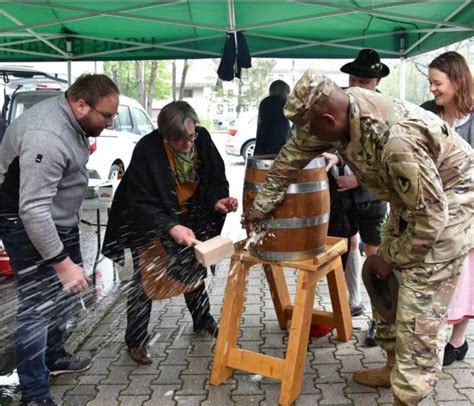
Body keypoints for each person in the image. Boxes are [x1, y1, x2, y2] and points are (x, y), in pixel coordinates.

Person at [243, 70, 473, 405]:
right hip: (412, 200)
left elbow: (432, 217)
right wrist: (259, 209)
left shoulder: (395, 140)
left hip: (451, 204)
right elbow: (289, 160)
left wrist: (392, 257)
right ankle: (393, 366)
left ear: (326, 119)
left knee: (418, 305)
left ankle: (409, 392)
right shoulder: (333, 116)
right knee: (377, 274)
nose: (306, 137)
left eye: (310, 129)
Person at [0, 74, 120, 405]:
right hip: (24, 224)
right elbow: (33, 210)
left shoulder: (72, 120)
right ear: (80, 105)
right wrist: (61, 263)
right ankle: (35, 393)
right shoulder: (46, 136)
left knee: (64, 293)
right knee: (37, 306)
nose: (110, 123)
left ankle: (53, 355)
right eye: (106, 115)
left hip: (57, 221)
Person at [102, 101, 238, 366]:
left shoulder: (202, 139)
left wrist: (217, 200)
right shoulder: (147, 149)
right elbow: (139, 201)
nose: (187, 144)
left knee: (193, 268)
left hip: (189, 217)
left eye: (190, 136)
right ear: (165, 135)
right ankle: (137, 340)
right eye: (179, 140)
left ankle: (202, 319)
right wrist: (169, 226)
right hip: (152, 220)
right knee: (147, 279)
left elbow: (212, 180)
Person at [324, 50, 389, 345]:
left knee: (375, 259)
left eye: (363, 80)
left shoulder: (388, 112)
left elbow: (392, 165)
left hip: (372, 199)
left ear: (376, 82)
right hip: (342, 199)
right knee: (344, 248)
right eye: (353, 78)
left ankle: (380, 321)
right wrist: (329, 153)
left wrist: (358, 180)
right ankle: (350, 305)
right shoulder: (342, 106)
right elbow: (335, 141)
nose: (356, 85)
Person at [421, 51, 473, 366]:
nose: (433, 90)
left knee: (464, 276)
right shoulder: (428, 113)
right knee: (436, 278)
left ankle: (458, 340)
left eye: (437, 83)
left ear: (457, 81)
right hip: (431, 212)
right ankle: (434, 336)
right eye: (430, 83)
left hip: (467, 214)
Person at [254, 80, 291, 155]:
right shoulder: (278, 101)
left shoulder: (265, 102)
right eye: (287, 93)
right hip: (276, 148)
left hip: (263, 147)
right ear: (278, 89)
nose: (287, 96)